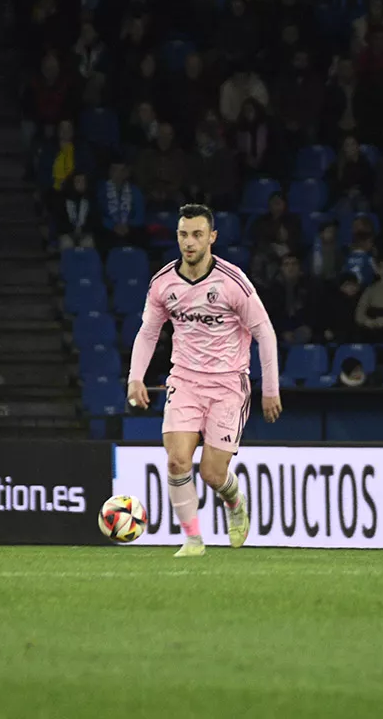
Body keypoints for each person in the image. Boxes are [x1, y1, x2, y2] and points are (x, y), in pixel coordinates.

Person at [127, 204, 281, 558]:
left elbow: (265, 333)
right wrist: (135, 378)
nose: (189, 242)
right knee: (177, 461)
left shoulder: (232, 282)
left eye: (197, 234)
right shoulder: (163, 283)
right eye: (183, 235)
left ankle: (234, 500)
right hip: (184, 380)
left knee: (213, 473)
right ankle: (193, 540)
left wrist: (269, 388)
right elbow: (148, 332)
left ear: (212, 237)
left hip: (228, 385)